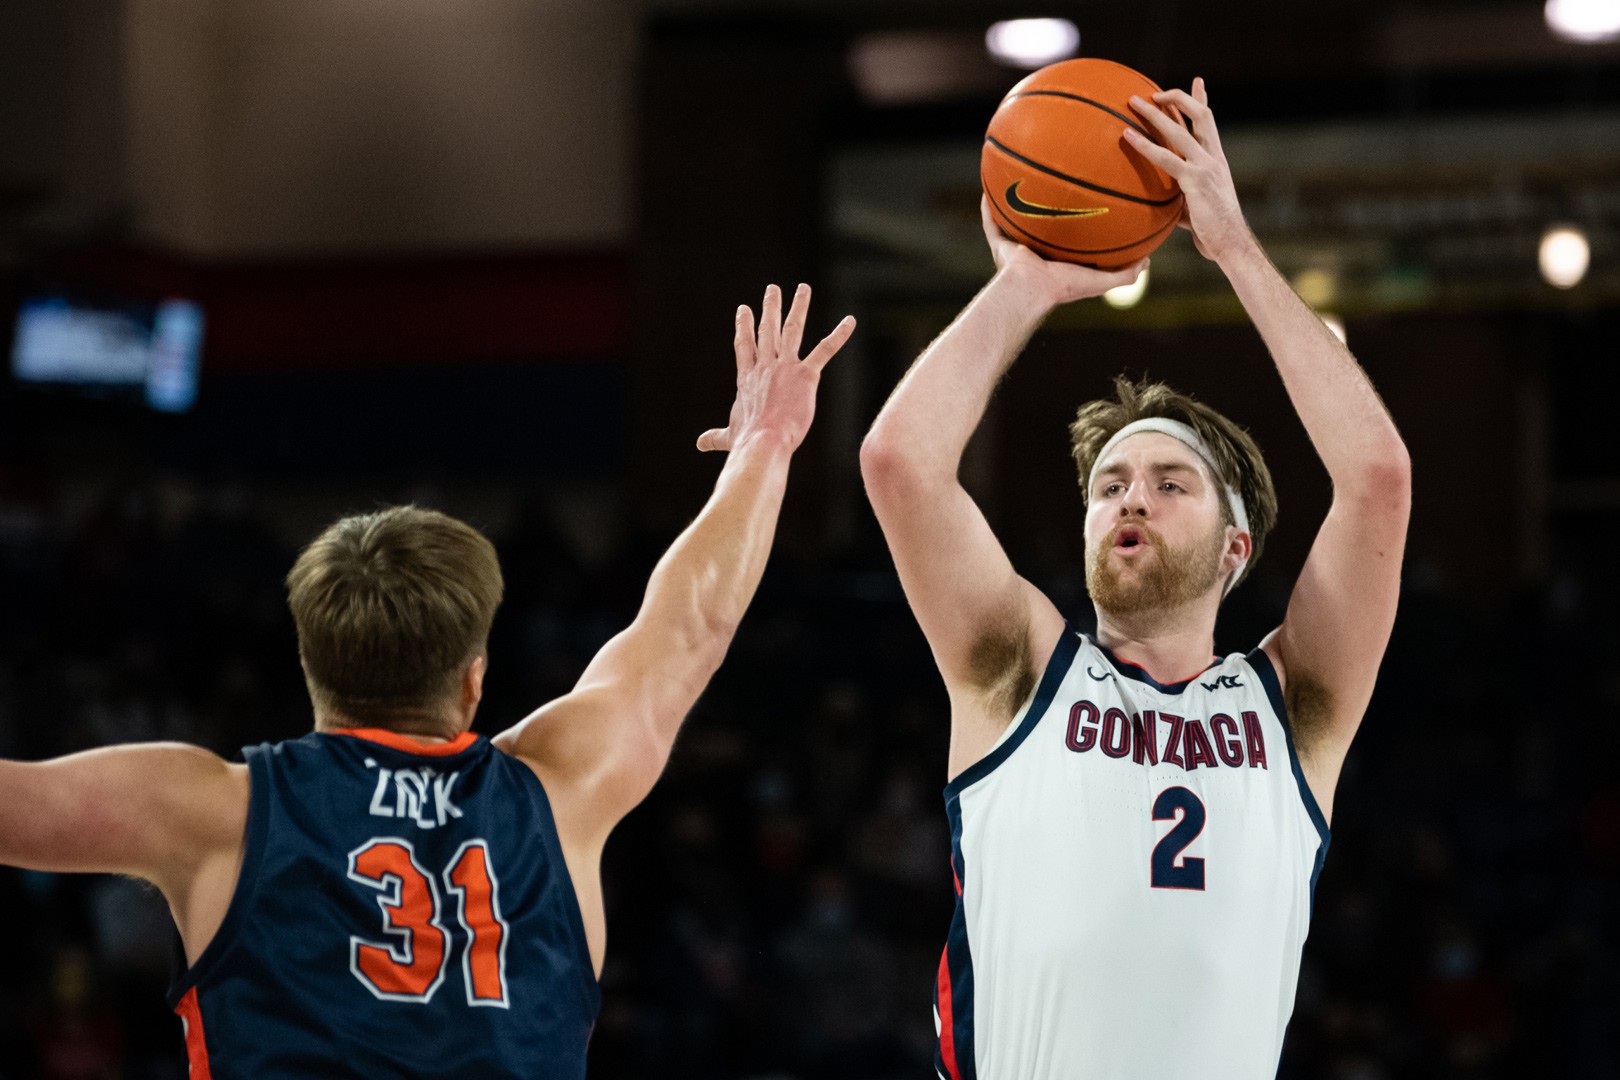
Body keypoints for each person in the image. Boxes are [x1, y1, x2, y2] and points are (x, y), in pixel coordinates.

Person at [0, 284, 855, 1079]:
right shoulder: (562, 789)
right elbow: (691, 624)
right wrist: (764, 447)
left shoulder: (213, 809)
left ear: (311, 663)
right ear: (475, 678)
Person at [860, 78, 1411, 1080]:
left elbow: (1377, 481)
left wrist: (1234, 248)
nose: (1131, 501)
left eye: (1169, 483)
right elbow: (900, 462)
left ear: (1237, 549)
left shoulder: (1295, 706)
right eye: (1109, 486)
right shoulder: (1019, 670)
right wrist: (1024, 282)